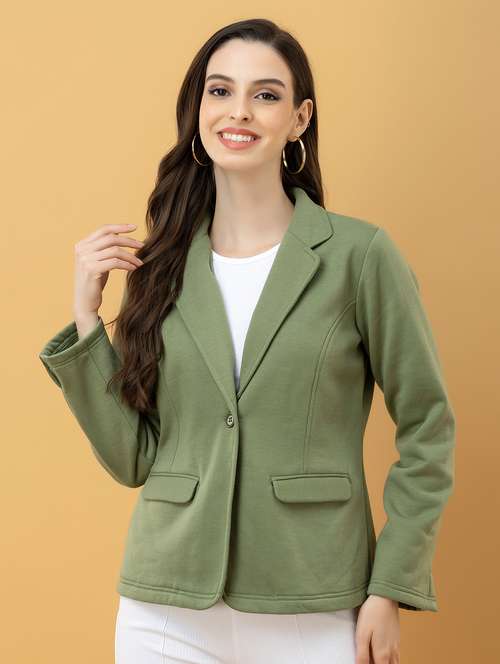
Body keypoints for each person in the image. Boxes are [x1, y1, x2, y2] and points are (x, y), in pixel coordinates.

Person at [38, 18, 456, 664]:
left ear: (298, 119)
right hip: (164, 610)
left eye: (265, 94)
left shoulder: (359, 256)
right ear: (198, 109)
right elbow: (134, 459)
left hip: (312, 597)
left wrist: (390, 587)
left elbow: (429, 426)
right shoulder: (162, 266)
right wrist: (87, 320)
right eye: (220, 91)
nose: (238, 111)